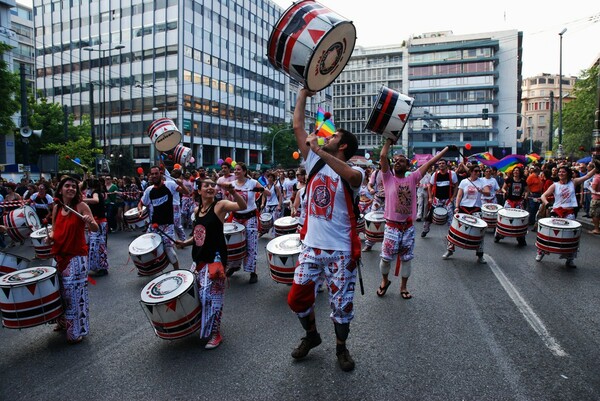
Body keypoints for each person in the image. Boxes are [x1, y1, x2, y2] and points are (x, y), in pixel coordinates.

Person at [287, 88, 363, 372]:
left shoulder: (355, 171)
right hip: (312, 246)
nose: (326, 136)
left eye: (333, 136)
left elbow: (352, 177)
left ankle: (341, 348)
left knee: (341, 307)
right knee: (297, 299)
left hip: (342, 251)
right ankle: (312, 335)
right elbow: (297, 125)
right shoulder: (313, 161)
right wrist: (303, 93)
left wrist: (318, 149)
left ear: (342, 147)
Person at [175, 178, 246, 349]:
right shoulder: (196, 210)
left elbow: (242, 207)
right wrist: (185, 243)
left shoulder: (220, 205)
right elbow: (199, 234)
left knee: (212, 298)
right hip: (199, 259)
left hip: (215, 260)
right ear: (198, 191)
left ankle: (216, 333)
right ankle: (205, 325)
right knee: (199, 296)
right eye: (205, 185)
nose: (210, 187)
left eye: (212, 185)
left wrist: (234, 192)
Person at [375, 138, 451, 299]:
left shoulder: (413, 177)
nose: (397, 163)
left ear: (408, 166)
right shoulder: (388, 178)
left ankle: (403, 287)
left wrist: (445, 149)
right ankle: (384, 281)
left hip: (408, 228)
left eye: (401, 161)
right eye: (395, 160)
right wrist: (389, 140)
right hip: (391, 227)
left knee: (406, 259)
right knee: (385, 259)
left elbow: (431, 162)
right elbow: (383, 156)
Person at [47, 176, 99, 344]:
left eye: (74, 187)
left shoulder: (81, 206)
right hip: (59, 256)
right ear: (60, 189)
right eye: (67, 186)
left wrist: (89, 221)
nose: (70, 188)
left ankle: (76, 331)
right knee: (59, 293)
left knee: (74, 296)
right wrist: (49, 237)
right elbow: (55, 230)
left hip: (76, 257)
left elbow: (95, 228)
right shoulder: (56, 207)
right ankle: (63, 323)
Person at [537, 164, 597, 267]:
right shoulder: (554, 185)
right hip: (556, 212)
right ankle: (541, 252)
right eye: (559, 172)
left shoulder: (573, 182)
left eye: (563, 172)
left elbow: (587, 176)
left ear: (568, 173)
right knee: (550, 234)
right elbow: (543, 196)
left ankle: (570, 259)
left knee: (571, 236)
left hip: (569, 213)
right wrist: (547, 204)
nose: (561, 173)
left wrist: (597, 168)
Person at [139, 166, 190, 272]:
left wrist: (181, 185)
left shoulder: (170, 185)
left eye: (156, 173)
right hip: (154, 225)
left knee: (168, 249)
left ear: (160, 174)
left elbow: (186, 192)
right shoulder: (149, 190)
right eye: (152, 174)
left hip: (167, 224)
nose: (154, 176)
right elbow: (141, 203)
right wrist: (140, 210)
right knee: (146, 247)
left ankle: (177, 271)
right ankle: (148, 270)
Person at [227, 162, 269, 283]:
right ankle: (234, 266)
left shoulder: (252, 183)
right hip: (236, 217)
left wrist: (261, 189)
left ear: (244, 171)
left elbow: (268, 193)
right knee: (234, 244)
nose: (236, 172)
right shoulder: (232, 184)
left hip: (250, 217)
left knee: (251, 245)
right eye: (235, 170)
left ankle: (253, 272)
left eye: (238, 170)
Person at [442, 164, 490, 264]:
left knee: (480, 232)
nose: (477, 173)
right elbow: (459, 196)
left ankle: (480, 255)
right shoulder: (464, 182)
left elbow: (488, 192)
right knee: (454, 229)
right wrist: (457, 207)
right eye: (475, 171)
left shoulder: (482, 181)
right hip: (463, 208)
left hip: (476, 208)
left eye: (478, 171)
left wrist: (482, 191)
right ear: (471, 172)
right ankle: (450, 250)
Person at [421, 159, 458, 238]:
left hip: (448, 200)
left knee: (451, 218)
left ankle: (451, 235)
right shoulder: (435, 174)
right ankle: (425, 230)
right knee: (429, 217)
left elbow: (456, 186)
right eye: (440, 163)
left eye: (443, 163)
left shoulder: (452, 174)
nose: (441, 165)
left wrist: (453, 197)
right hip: (437, 199)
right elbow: (429, 186)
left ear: (446, 164)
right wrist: (430, 197)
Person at [494, 166, 528, 246]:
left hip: (519, 202)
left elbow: (527, 190)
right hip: (509, 202)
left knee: (520, 220)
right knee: (504, 218)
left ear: (520, 172)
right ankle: (499, 234)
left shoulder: (523, 181)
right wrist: (505, 192)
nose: (516, 172)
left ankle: (521, 238)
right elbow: (502, 188)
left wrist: (525, 195)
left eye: (517, 171)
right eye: (514, 171)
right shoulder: (508, 180)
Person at [82, 178, 109, 276]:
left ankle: (102, 267)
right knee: (95, 245)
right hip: (96, 223)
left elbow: (95, 200)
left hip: (99, 223)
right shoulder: (94, 192)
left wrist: (82, 200)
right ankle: (98, 266)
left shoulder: (96, 193)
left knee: (99, 245)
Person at [589, 164, 600, 235]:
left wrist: (590, 185)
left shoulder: (597, 178)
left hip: (596, 198)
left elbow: (593, 189)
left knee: (595, 214)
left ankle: (596, 229)